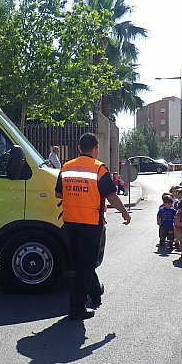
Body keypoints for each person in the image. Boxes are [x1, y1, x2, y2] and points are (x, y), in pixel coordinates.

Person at [55, 132, 131, 320]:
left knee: (82, 261)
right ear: (95, 149)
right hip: (91, 223)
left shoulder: (66, 167)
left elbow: (58, 194)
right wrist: (124, 211)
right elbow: (112, 196)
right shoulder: (99, 169)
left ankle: (95, 292)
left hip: (70, 221)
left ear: (79, 148)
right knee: (85, 265)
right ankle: (77, 307)